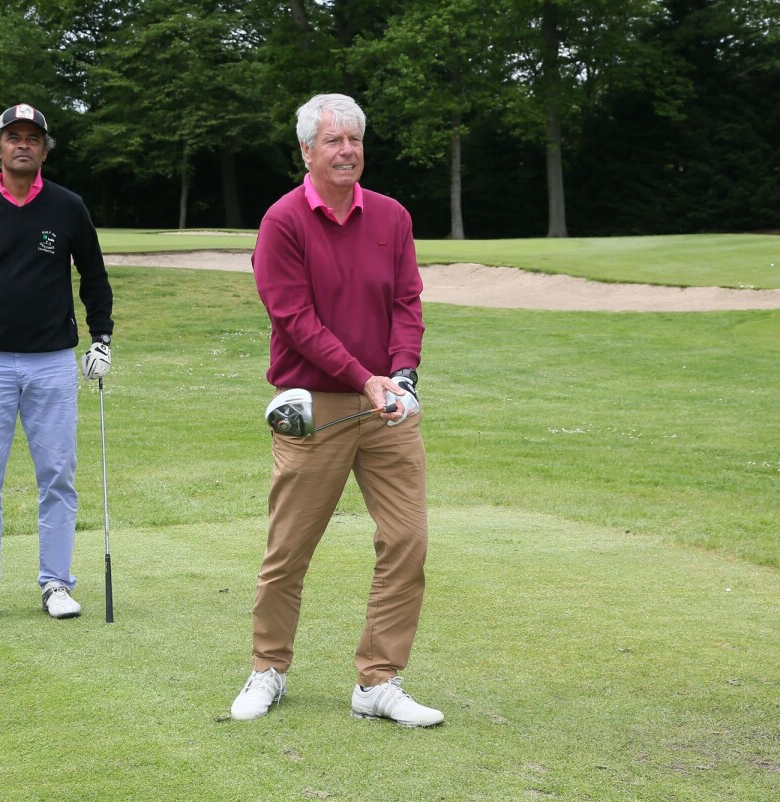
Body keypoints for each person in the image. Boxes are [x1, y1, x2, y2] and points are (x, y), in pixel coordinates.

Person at [230, 93, 443, 727]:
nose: (346, 150)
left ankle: (378, 680)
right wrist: (364, 378)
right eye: (333, 141)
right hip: (315, 406)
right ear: (306, 151)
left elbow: (408, 301)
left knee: (407, 540)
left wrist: (400, 375)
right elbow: (295, 320)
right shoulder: (283, 222)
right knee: (290, 550)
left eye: (354, 139)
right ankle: (268, 669)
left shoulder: (392, 216)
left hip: (387, 407)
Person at [0, 103, 114, 626]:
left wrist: (101, 337)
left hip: (52, 362)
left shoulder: (67, 207)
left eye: (32, 138)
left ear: (44, 149)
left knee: (58, 475)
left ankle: (56, 582)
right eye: (12, 137)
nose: (22, 144)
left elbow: (95, 277)